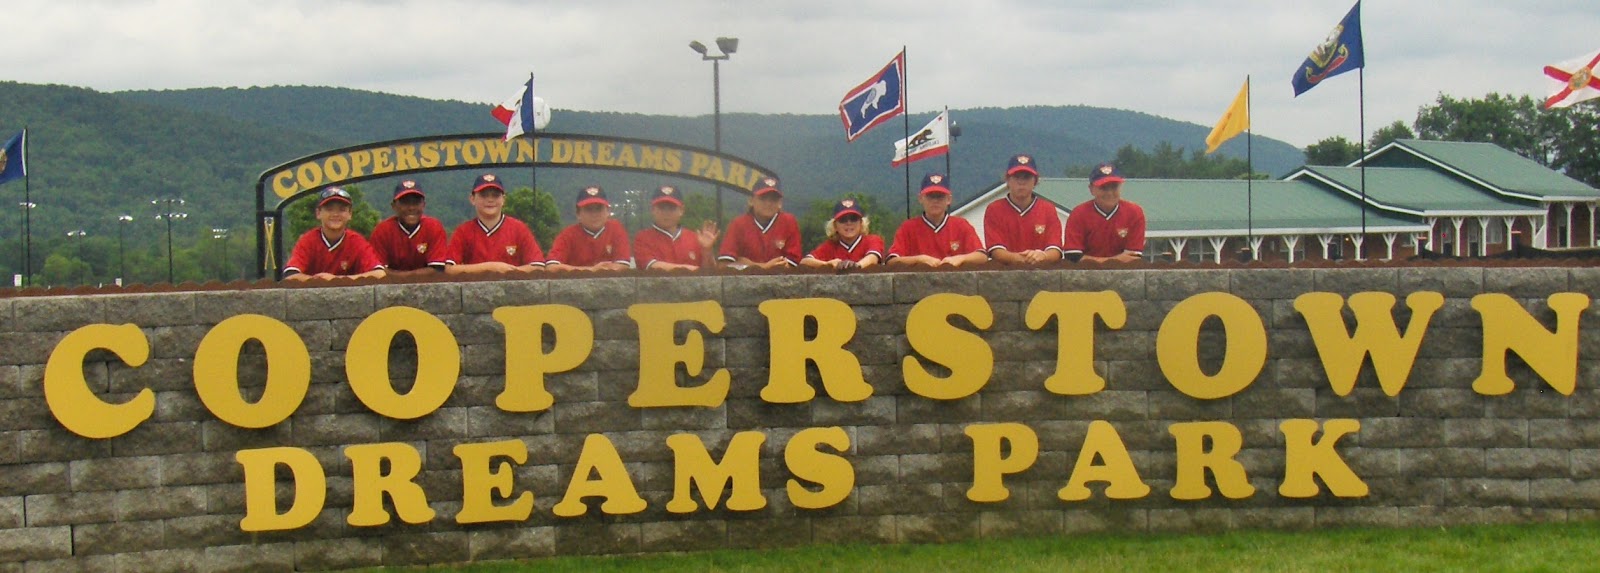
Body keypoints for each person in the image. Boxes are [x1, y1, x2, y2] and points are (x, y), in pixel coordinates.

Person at [445, 173, 546, 273]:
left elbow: (538, 266)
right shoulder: (463, 231)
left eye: (495, 195)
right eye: (484, 195)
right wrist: (491, 267)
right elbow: (449, 269)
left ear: (503, 199)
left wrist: (509, 271)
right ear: (472, 199)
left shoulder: (519, 228)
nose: (490, 200)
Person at [282, 186, 386, 281]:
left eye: (342, 210)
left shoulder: (356, 241)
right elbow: (290, 275)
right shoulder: (308, 240)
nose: (335, 214)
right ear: (318, 213)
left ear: (350, 214)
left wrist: (337, 279)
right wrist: (320, 282)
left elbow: (379, 273)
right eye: (329, 209)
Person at [887, 173, 987, 268]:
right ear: (921, 198)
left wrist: (960, 258)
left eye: (940, 196)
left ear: (948, 199)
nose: (935, 201)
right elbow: (892, 261)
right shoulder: (908, 227)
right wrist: (919, 259)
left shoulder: (961, 225)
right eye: (930, 196)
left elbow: (982, 256)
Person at [985, 154, 1063, 264]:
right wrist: (1022, 258)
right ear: (1007, 180)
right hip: (1005, 273)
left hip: (1042, 274)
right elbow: (996, 251)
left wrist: (1042, 255)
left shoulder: (1048, 209)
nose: (1021, 182)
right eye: (1017, 177)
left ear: (1035, 181)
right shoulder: (994, 209)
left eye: (1026, 177)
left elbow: (1055, 250)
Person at [1063, 163, 1146, 263]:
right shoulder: (1079, 214)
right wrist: (1116, 260)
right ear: (1091, 189)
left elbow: (1133, 257)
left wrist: (1093, 260)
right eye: (1104, 188)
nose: (1110, 193)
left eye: (1114, 187)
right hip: (1086, 275)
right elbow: (1073, 257)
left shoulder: (1134, 213)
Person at [367, 179, 449, 277]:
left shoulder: (434, 227)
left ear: (423, 205)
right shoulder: (382, 231)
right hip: (390, 289)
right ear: (394, 206)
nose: (411, 208)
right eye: (405, 203)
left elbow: (438, 269)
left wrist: (400, 276)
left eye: (416, 202)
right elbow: (378, 272)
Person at [717, 176, 802, 269]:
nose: (768, 203)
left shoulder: (788, 222)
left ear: (780, 203)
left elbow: (793, 263)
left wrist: (748, 264)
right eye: (763, 198)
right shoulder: (738, 224)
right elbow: (723, 265)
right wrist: (763, 266)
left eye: (773, 199)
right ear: (751, 201)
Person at [546, 185, 633, 271]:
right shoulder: (568, 234)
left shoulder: (615, 229)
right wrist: (591, 270)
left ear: (608, 212)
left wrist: (598, 271)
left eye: (599, 209)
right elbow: (551, 267)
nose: (594, 214)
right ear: (578, 214)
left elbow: (623, 265)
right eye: (588, 209)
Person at [633, 185, 718, 270]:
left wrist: (707, 251)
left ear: (681, 210)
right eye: (661, 208)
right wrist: (688, 269)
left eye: (671, 208)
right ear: (653, 210)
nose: (666, 213)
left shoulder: (695, 238)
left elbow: (709, 273)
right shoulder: (643, 238)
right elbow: (651, 266)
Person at [801, 198, 884, 270]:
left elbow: (873, 257)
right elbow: (805, 261)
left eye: (853, 219)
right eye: (843, 220)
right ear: (835, 226)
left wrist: (856, 266)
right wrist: (827, 264)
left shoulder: (872, 240)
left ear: (861, 223)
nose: (849, 223)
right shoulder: (830, 246)